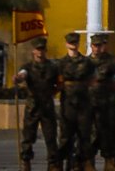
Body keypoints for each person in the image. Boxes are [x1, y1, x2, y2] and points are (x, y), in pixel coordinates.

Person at [14, 36, 61, 171]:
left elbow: (59, 83)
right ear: (33, 51)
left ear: (45, 50)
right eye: (37, 49)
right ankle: (26, 162)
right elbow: (23, 74)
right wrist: (18, 78)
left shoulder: (52, 67)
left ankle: (52, 164)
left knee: (51, 137)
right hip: (33, 107)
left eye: (42, 49)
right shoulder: (27, 67)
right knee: (28, 137)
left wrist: (53, 92)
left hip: (47, 107)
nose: (40, 52)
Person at [58, 31, 95, 171]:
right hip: (67, 103)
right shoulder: (61, 63)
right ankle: (63, 163)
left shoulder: (87, 62)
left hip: (84, 102)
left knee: (84, 134)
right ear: (66, 44)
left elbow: (93, 80)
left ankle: (83, 162)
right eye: (71, 42)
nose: (73, 45)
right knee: (66, 135)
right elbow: (58, 81)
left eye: (75, 42)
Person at [88, 33, 115, 171]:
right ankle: (88, 162)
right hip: (91, 104)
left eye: (101, 45)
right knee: (91, 133)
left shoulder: (114, 62)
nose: (99, 48)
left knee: (110, 133)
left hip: (108, 103)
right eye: (96, 45)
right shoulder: (86, 62)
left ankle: (110, 161)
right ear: (91, 46)